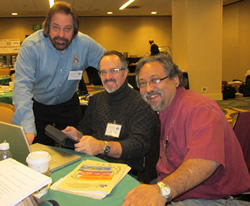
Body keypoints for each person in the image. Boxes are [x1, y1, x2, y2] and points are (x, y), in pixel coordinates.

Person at [123, 53, 250, 206]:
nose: (148, 89)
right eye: (142, 83)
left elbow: (205, 161)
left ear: (175, 79)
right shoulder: (165, 109)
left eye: (155, 80)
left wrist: (162, 190)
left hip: (216, 197)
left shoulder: (199, 108)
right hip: (181, 191)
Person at [12, 2, 105, 146]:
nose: (61, 35)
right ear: (47, 26)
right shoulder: (31, 47)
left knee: (75, 149)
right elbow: (22, 88)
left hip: (68, 104)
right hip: (39, 105)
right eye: (56, 28)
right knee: (39, 149)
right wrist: (28, 128)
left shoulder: (84, 44)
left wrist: (127, 95)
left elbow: (111, 65)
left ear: (74, 30)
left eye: (67, 29)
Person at [63, 51, 160, 180]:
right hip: (91, 165)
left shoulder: (140, 103)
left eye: (114, 70)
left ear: (125, 73)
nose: (108, 76)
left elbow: (138, 145)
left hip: (125, 173)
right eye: (103, 72)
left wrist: (101, 147)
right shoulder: (96, 100)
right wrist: (78, 134)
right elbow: (85, 129)